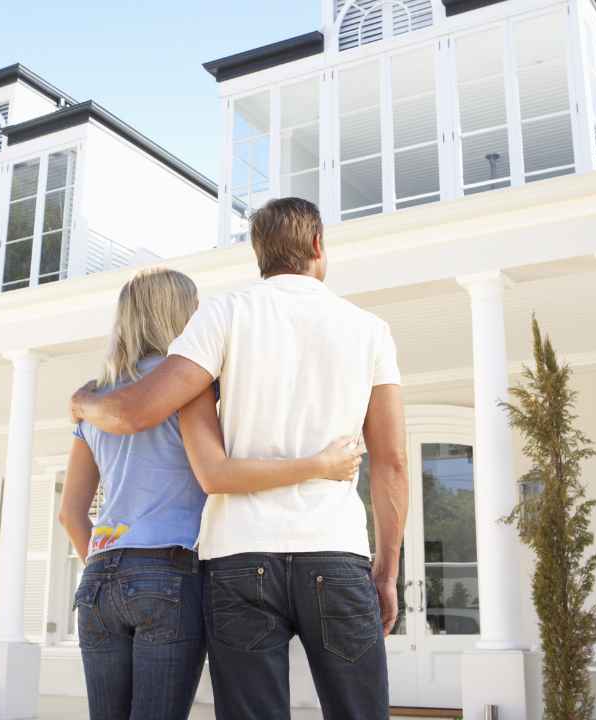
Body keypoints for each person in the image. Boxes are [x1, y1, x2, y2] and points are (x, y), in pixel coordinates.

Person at [71, 198, 409, 720]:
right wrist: (386, 572)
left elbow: (138, 411)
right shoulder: (371, 330)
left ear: (258, 254)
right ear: (318, 246)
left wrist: (83, 402)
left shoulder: (223, 315)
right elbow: (392, 464)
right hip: (335, 550)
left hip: (239, 558)